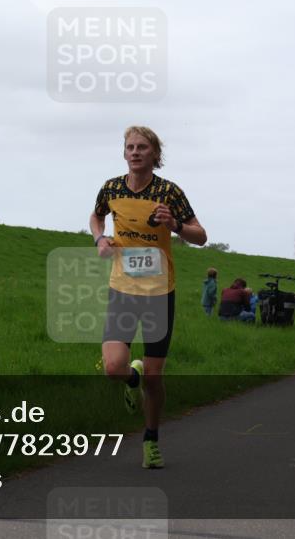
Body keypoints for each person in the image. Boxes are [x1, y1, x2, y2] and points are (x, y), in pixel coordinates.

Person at [90, 126, 207, 468]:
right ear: (124, 153)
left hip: (159, 292)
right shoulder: (111, 188)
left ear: (156, 154)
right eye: (130, 147)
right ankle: (131, 378)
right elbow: (97, 215)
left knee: (156, 377)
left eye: (143, 147)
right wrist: (100, 240)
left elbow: (201, 236)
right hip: (122, 288)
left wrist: (176, 226)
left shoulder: (170, 192)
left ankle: (151, 439)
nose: (136, 152)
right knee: (113, 367)